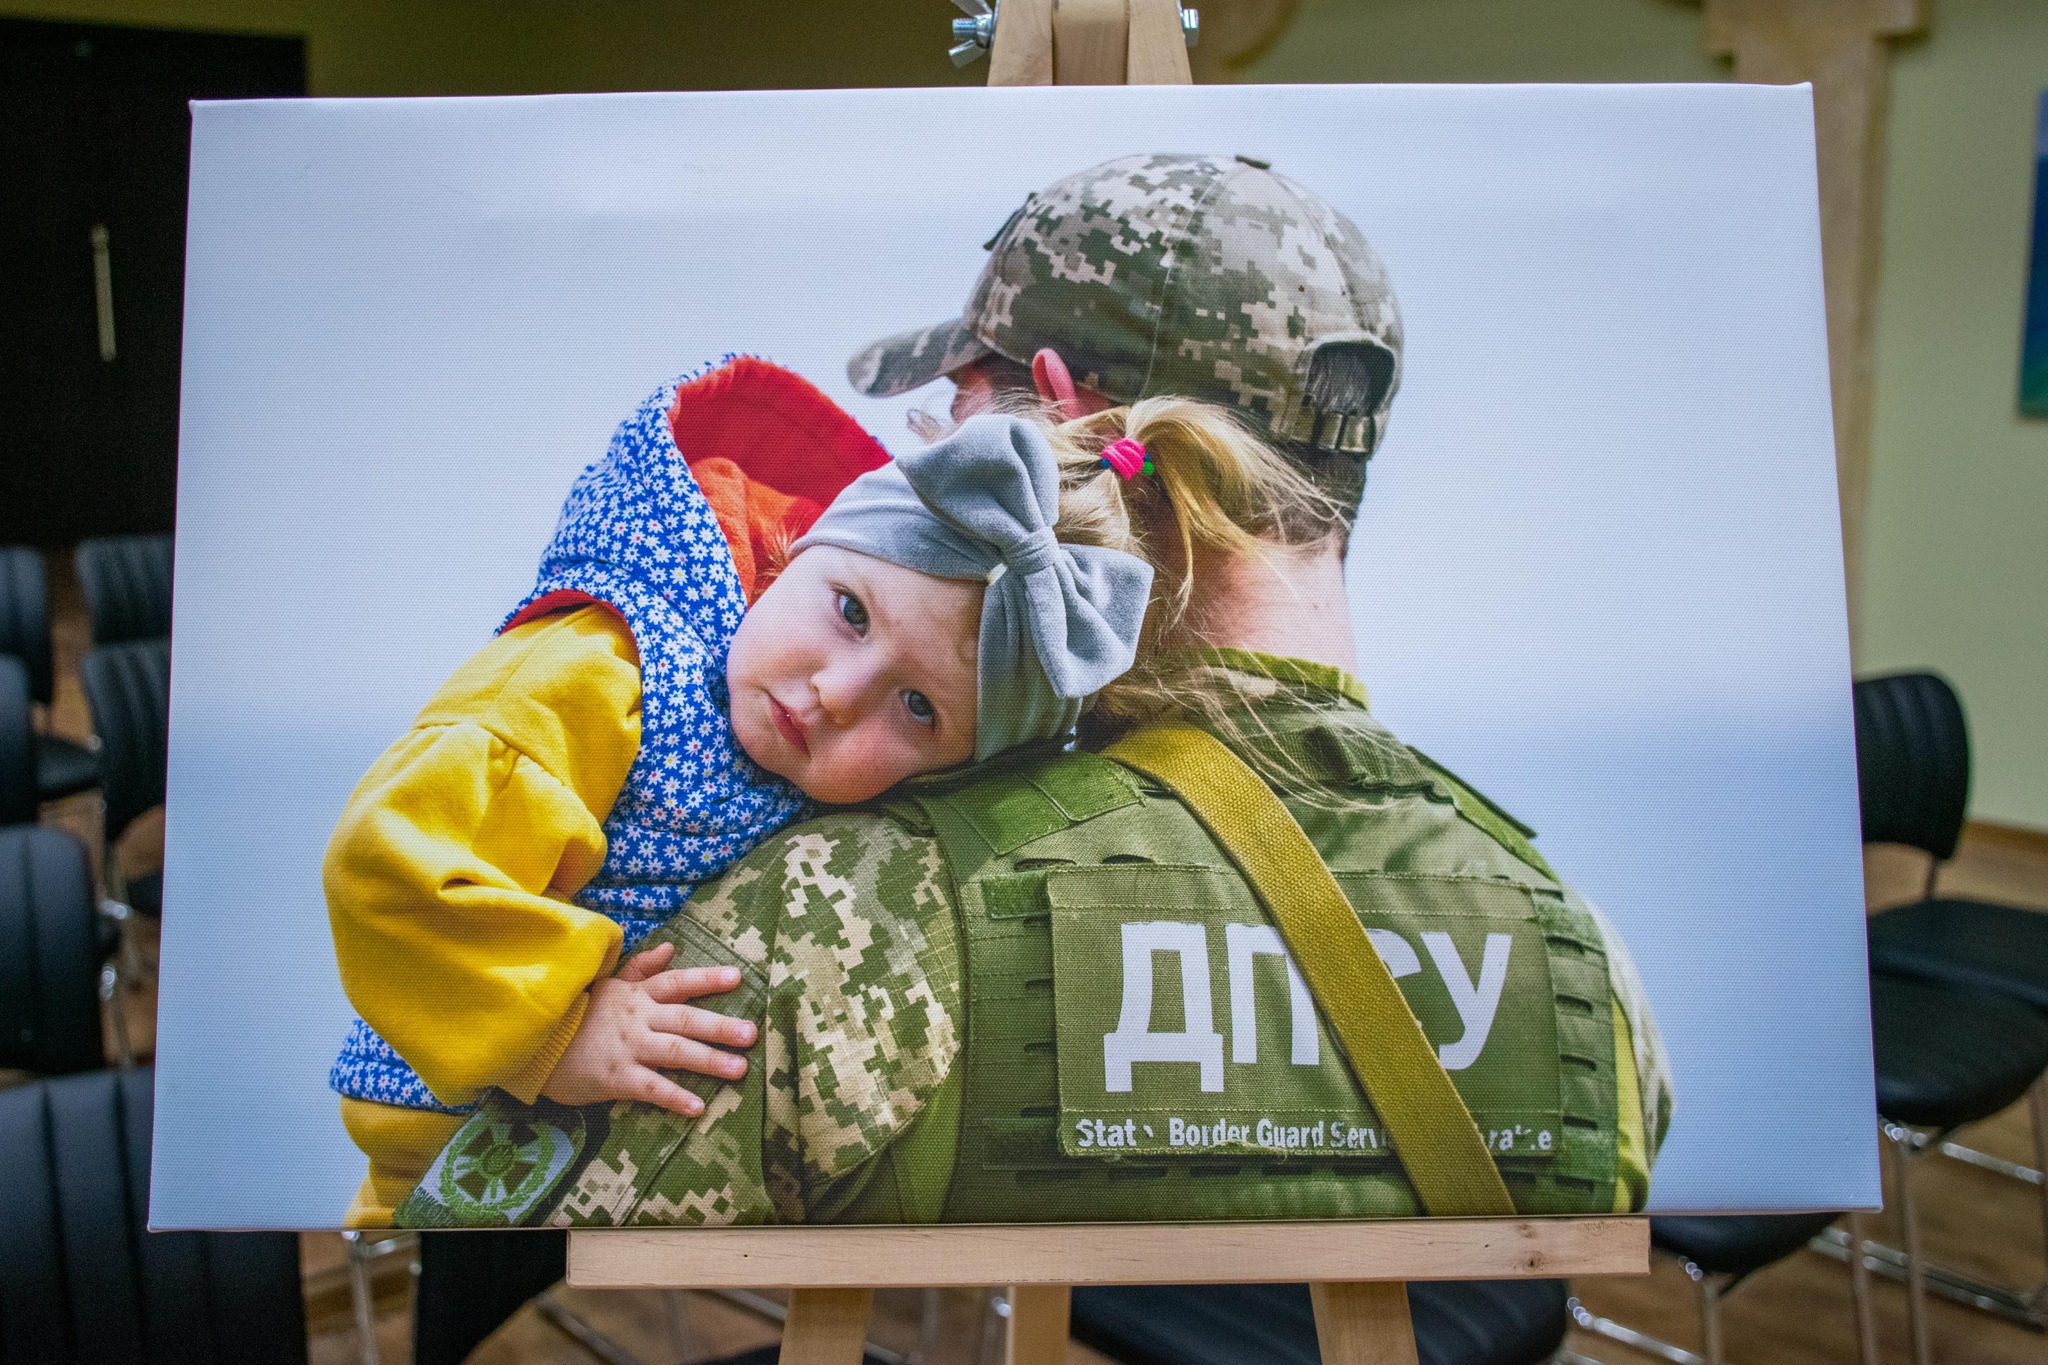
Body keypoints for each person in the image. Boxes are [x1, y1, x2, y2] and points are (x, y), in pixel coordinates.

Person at [395, 152, 1671, 1231]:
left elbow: (475, 1248)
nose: (920, 451)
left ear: (1062, 418)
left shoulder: (845, 915)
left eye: (954, 406)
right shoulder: (1587, 979)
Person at [323, 355, 1159, 1225]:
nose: (838, 691)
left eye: (916, 707)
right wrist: (559, 1030)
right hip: (443, 1156)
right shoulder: (610, 668)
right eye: (851, 611)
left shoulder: (827, 774)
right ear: (804, 543)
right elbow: (390, 867)